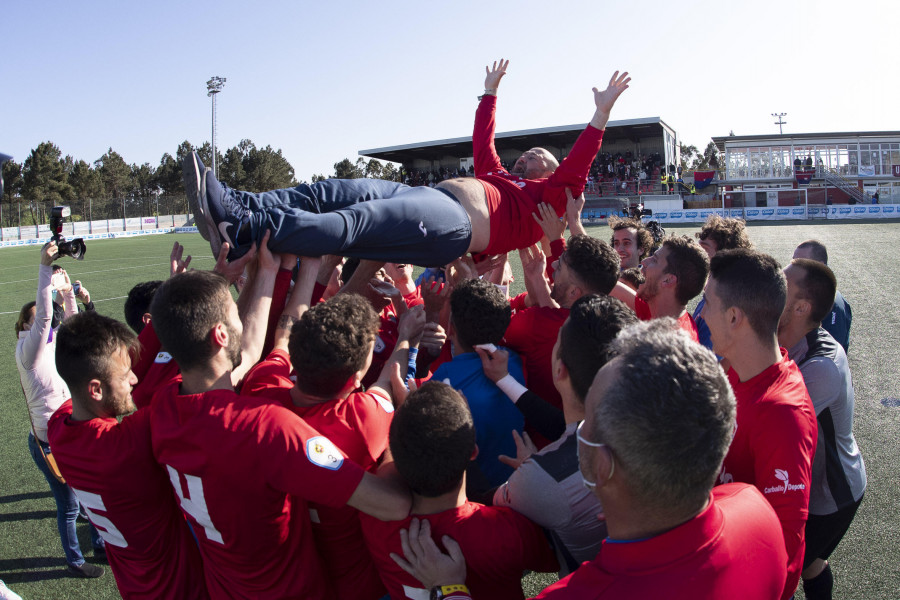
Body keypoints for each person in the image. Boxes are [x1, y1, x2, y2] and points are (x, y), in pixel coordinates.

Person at [392, 321, 789, 599]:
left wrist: (450, 589)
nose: (575, 434)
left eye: (585, 427)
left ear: (603, 467)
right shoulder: (756, 509)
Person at [184, 62, 630, 267]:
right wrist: (490, 93)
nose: (530, 153)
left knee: (351, 223)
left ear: (548, 171)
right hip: (429, 200)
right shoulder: (501, 177)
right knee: (332, 191)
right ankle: (241, 205)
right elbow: (483, 142)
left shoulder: (549, 199)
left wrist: (601, 115)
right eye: (530, 152)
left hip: (451, 225)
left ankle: (243, 233)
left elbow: (576, 166)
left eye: (540, 156)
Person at [149, 267, 413, 599]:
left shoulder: (164, 403)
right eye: (235, 316)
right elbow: (394, 504)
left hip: (225, 587)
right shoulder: (265, 426)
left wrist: (278, 268)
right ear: (220, 335)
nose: (241, 323)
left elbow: (269, 346)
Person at [47, 311, 208, 599]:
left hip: (135, 587)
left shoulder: (59, 429)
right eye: (126, 375)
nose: (135, 377)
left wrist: (161, 316)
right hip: (181, 589)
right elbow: (183, 380)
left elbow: (136, 378)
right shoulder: (125, 444)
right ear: (95, 389)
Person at [361, 381, 558, 600]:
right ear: (473, 452)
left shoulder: (373, 520)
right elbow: (549, 570)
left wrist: (407, 419)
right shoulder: (509, 528)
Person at [486, 295, 638, 575]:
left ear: (559, 369)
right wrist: (505, 380)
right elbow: (573, 429)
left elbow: (486, 504)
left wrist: (533, 471)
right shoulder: (661, 423)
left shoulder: (540, 479)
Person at [701, 248, 817, 599]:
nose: (702, 314)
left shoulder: (782, 415)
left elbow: (784, 552)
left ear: (734, 317)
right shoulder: (741, 368)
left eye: (707, 302)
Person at [776, 259, 866, 600]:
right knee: (810, 563)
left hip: (831, 495)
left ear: (801, 307)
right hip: (807, 487)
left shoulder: (822, 365)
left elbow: (776, 425)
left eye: (780, 287)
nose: (771, 290)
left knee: (784, 568)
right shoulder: (784, 336)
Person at [15, 242, 105, 578]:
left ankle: (100, 545)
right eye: (38, 316)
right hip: (49, 443)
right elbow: (45, 313)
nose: (46, 316)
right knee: (69, 507)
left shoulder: (52, 341)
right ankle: (75, 560)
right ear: (27, 325)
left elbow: (72, 325)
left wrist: (67, 294)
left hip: (72, 431)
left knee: (90, 493)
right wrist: (44, 272)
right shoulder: (30, 350)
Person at [502, 235, 620, 416]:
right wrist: (538, 283)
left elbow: (491, 328)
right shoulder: (613, 323)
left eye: (561, 264)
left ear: (574, 292)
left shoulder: (536, 323)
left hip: (539, 439)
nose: (553, 265)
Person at [431, 278, 526, 491]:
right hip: (518, 485)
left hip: (476, 493)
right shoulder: (514, 359)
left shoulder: (444, 378)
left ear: (452, 328)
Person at [692, 215, 753, 349]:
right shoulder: (711, 294)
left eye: (704, 250)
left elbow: (709, 362)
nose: (697, 255)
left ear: (726, 255)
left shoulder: (725, 306)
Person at [634, 235, 709, 340]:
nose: (644, 262)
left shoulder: (673, 345)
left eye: (654, 260)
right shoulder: (657, 308)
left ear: (668, 280)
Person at [793, 240, 851, 353]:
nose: (793, 267)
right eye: (793, 261)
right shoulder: (811, 295)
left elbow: (830, 352)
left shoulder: (831, 304)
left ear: (820, 266)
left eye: (801, 262)